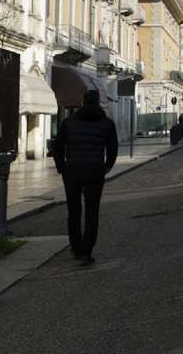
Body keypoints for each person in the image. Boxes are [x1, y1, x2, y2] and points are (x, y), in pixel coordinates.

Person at [53, 90, 118, 265]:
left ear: (82, 102)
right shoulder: (107, 124)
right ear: (98, 103)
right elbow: (113, 149)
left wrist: (61, 167)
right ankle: (87, 251)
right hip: (95, 171)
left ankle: (76, 247)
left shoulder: (68, 123)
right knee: (92, 212)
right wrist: (106, 167)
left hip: (72, 170)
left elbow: (57, 147)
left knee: (73, 211)